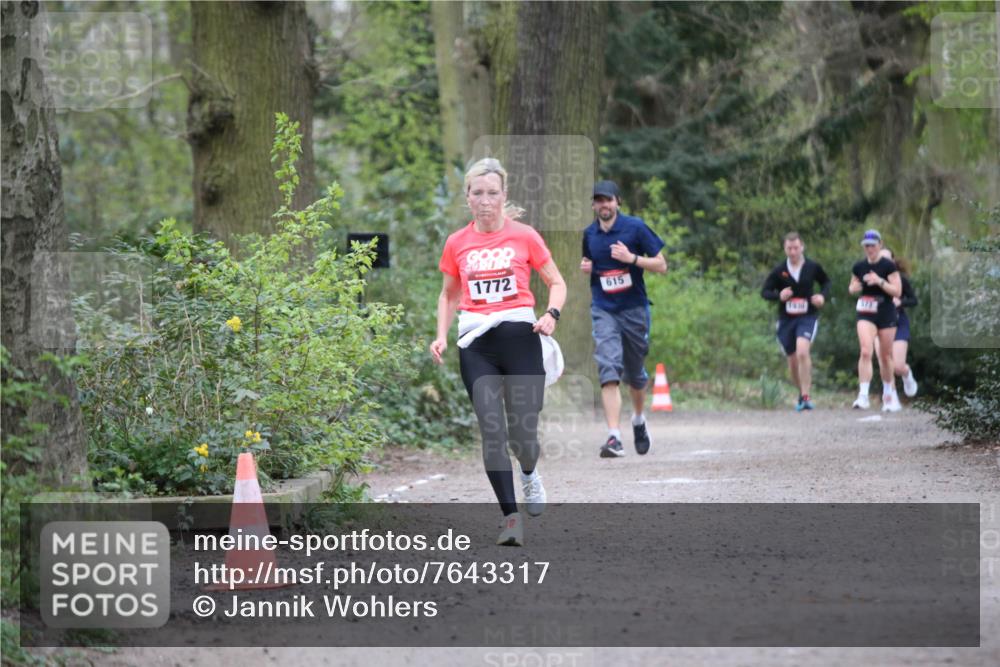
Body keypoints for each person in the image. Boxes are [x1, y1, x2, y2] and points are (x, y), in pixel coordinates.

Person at [430, 158, 567, 547]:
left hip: (521, 338)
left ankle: (528, 472)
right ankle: (510, 518)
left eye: (493, 193)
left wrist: (551, 314)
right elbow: (448, 294)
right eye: (478, 193)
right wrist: (441, 335)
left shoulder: (525, 236)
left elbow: (556, 282)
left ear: (504, 196)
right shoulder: (457, 242)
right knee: (492, 430)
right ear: (468, 198)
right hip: (476, 344)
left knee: (524, 432)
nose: (485, 200)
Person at [580, 180, 667, 458]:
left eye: (608, 200)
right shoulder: (589, 235)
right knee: (608, 369)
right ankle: (614, 437)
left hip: (634, 310)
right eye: (598, 200)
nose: (603, 205)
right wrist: (589, 268)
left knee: (635, 374)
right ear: (593, 205)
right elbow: (594, 268)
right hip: (604, 310)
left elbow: (661, 265)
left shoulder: (635, 228)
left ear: (618, 202)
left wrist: (632, 258)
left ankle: (639, 420)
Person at [761, 232, 831, 411]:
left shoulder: (812, 267)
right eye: (789, 248)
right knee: (792, 362)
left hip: (807, 317)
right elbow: (765, 292)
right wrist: (779, 296)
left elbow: (826, 282)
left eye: (796, 248)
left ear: (802, 247)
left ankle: (806, 396)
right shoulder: (779, 270)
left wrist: (821, 296)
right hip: (786, 321)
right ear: (785, 249)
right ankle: (802, 394)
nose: (792, 252)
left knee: (802, 351)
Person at [849, 230, 903, 412]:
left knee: (886, 356)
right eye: (866, 245)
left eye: (872, 245)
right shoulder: (859, 266)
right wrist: (855, 287)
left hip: (886, 312)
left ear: (880, 245)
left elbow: (897, 291)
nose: (869, 248)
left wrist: (879, 281)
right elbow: (852, 287)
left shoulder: (889, 266)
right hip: (866, 311)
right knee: (865, 350)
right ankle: (863, 396)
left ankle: (889, 394)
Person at [872, 247, 919, 398]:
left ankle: (906, 374)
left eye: (887, 259)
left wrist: (900, 302)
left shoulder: (900, 280)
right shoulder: (871, 281)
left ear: (892, 261)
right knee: (884, 361)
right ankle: (891, 397)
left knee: (897, 366)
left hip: (898, 323)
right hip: (879, 323)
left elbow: (913, 300)